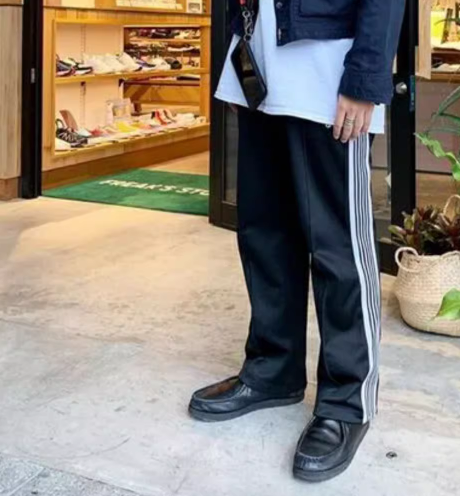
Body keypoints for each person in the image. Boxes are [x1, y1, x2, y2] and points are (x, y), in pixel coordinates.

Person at [189, 0, 405, 482]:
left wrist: (365, 76)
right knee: (264, 235)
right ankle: (273, 370)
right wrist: (238, 55)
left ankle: (347, 402)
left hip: (328, 75)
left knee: (338, 248)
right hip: (260, 69)